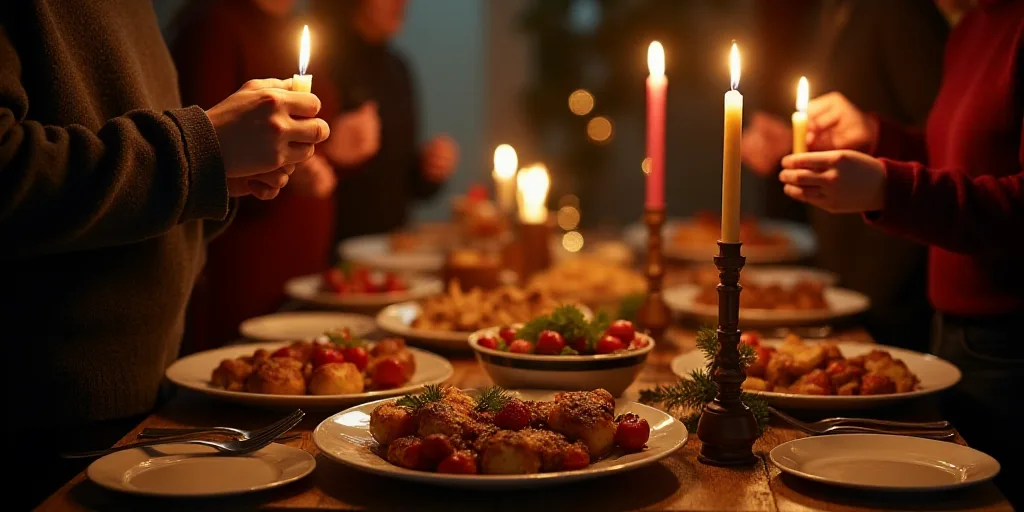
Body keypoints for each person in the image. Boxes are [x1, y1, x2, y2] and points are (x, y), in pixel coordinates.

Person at [0, 0, 328, 506]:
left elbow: (153, 168)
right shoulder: (212, 24)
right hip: (41, 419)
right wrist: (199, 151)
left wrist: (218, 176)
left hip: (149, 398)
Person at [778, 0, 1022, 502]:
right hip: (951, 329)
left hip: (1013, 344)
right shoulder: (974, 26)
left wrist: (889, 189)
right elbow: (961, 162)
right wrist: (875, 134)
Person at [170, 0, 381, 351]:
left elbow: (306, 143)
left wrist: (342, 150)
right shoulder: (214, 28)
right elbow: (202, 164)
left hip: (301, 265)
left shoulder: (292, 25)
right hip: (245, 270)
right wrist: (305, 165)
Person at [743, 0, 948, 352]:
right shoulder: (827, 11)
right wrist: (789, 137)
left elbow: (949, 140)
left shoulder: (900, 11)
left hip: (893, 276)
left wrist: (873, 134)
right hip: (841, 262)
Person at [310, 0, 459, 242]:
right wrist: (330, 149)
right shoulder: (322, 65)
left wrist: (428, 168)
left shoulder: (399, 69)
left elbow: (405, 182)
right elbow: (295, 174)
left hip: (390, 247)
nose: (401, 3)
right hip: (333, 247)